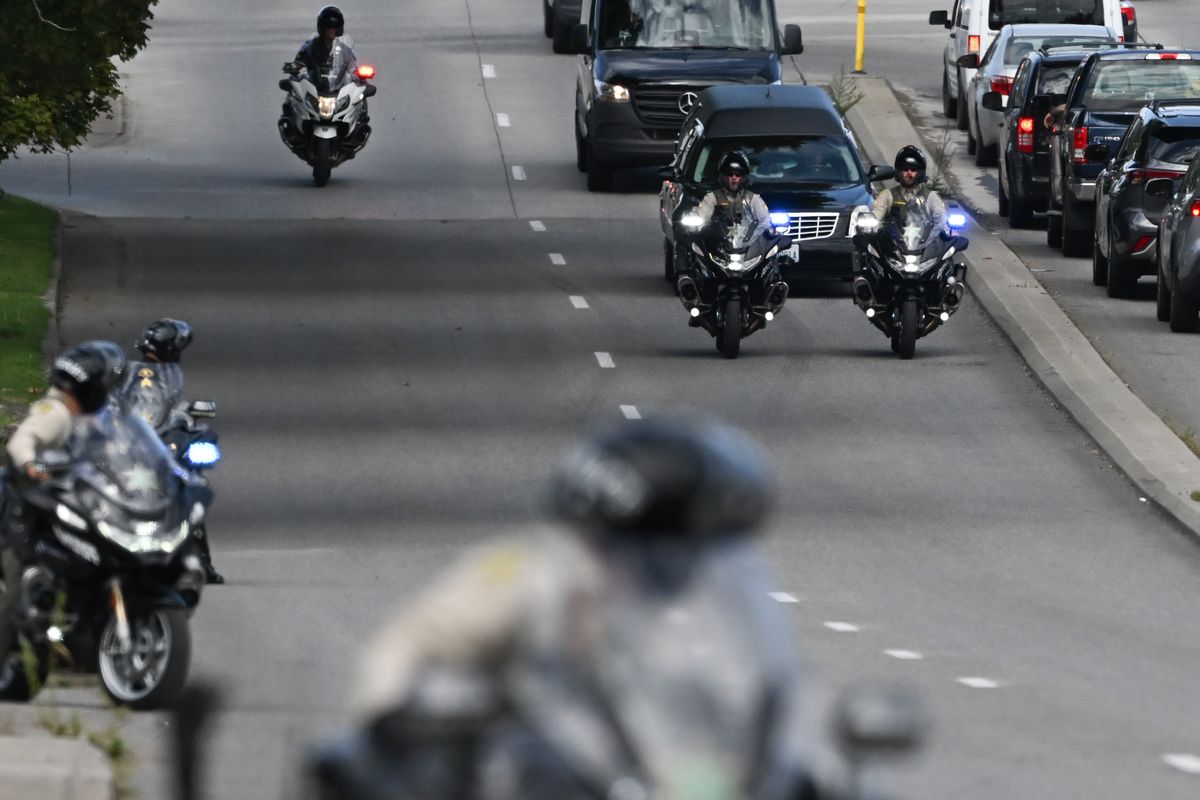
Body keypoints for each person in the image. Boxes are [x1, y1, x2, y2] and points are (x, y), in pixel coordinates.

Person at [336, 416, 846, 800]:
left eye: (688, 546)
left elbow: (767, 693)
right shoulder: (525, 573)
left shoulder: (717, 602)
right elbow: (412, 643)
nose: (669, 562)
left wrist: (808, 764)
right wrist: (395, 730)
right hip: (546, 777)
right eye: (645, 545)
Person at [0, 341, 125, 680]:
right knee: (19, 578)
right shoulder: (55, 411)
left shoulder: (98, 420)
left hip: (70, 509)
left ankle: (84, 644)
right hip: (27, 513)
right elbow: (21, 441)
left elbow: (118, 452)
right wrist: (31, 465)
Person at [120, 319, 224, 585]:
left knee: (192, 483)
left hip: (164, 439)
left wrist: (185, 417)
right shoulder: (126, 374)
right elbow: (114, 403)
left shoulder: (170, 377)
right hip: (130, 439)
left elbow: (173, 406)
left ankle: (201, 560)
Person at [280, 6, 364, 138]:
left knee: (360, 97)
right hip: (316, 85)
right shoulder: (310, 46)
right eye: (328, 27)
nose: (331, 30)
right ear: (321, 28)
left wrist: (359, 73)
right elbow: (299, 60)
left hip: (337, 87)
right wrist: (294, 66)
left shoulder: (345, 49)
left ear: (339, 28)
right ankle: (290, 125)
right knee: (292, 93)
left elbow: (352, 66)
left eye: (334, 27)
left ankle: (359, 127)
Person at [694, 150, 772, 244]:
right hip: (718, 247)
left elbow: (765, 222)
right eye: (730, 174)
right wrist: (702, 229)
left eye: (738, 174)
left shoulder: (753, 198)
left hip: (749, 248)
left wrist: (754, 237)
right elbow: (701, 220)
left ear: (744, 177)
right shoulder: (711, 197)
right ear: (723, 176)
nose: (734, 177)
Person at [871, 145, 948, 232]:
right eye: (905, 169)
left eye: (913, 170)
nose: (909, 173)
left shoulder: (932, 197)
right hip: (892, 244)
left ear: (920, 172)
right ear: (899, 171)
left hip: (924, 244)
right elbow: (876, 215)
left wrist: (949, 233)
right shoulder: (887, 195)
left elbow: (942, 223)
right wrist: (870, 223)